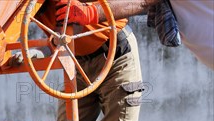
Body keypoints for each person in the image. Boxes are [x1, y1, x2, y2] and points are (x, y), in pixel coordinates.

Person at [72, 0, 213, 69]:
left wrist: (92, 13)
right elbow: (142, 2)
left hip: (117, 51)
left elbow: (142, 2)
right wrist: (91, 13)